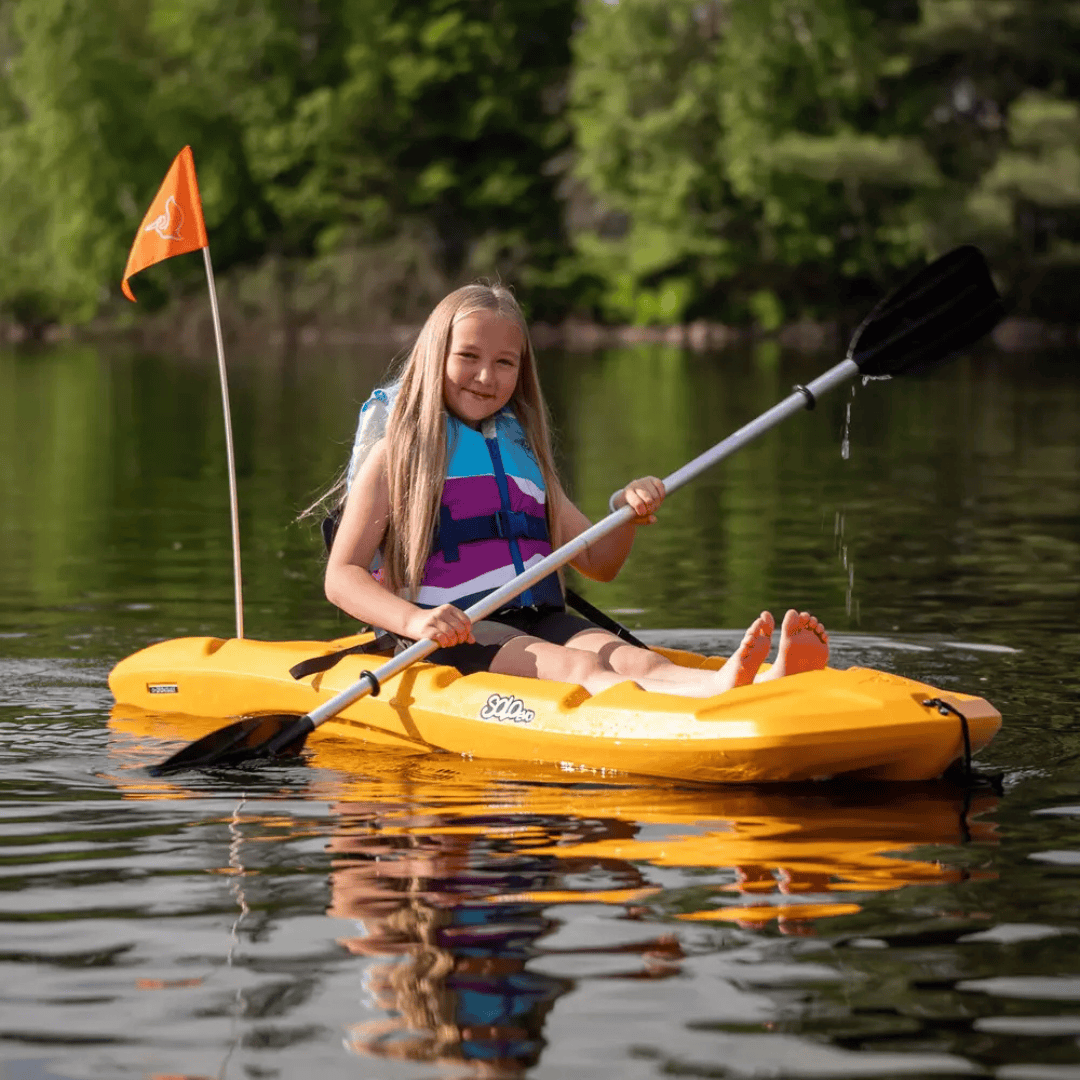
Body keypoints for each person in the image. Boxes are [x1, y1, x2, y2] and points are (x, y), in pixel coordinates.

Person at [323, 283, 828, 698]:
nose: (486, 376)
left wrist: (626, 512)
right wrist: (416, 621)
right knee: (577, 668)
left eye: (505, 362)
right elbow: (342, 576)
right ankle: (710, 694)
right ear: (436, 356)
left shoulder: (525, 459)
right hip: (458, 632)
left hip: (538, 617)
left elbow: (599, 563)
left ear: (522, 371)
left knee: (636, 660)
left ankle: (746, 686)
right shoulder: (397, 457)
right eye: (468, 356)